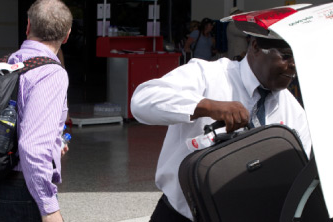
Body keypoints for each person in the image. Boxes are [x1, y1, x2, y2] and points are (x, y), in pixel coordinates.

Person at [131, 20, 312, 221]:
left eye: (299, 56)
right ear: (255, 47)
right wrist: (209, 106)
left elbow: (296, 173)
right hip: (183, 215)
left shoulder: (292, 109)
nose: (294, 65)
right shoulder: (209, 75)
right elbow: (142, 101)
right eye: (286, 56)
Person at [0, 0, 72, 222]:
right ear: (67, 35)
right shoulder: (50, 73)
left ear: (28, 26)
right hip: (22, 190)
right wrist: (49, 208)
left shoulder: (9, 62)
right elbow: (32, 147)